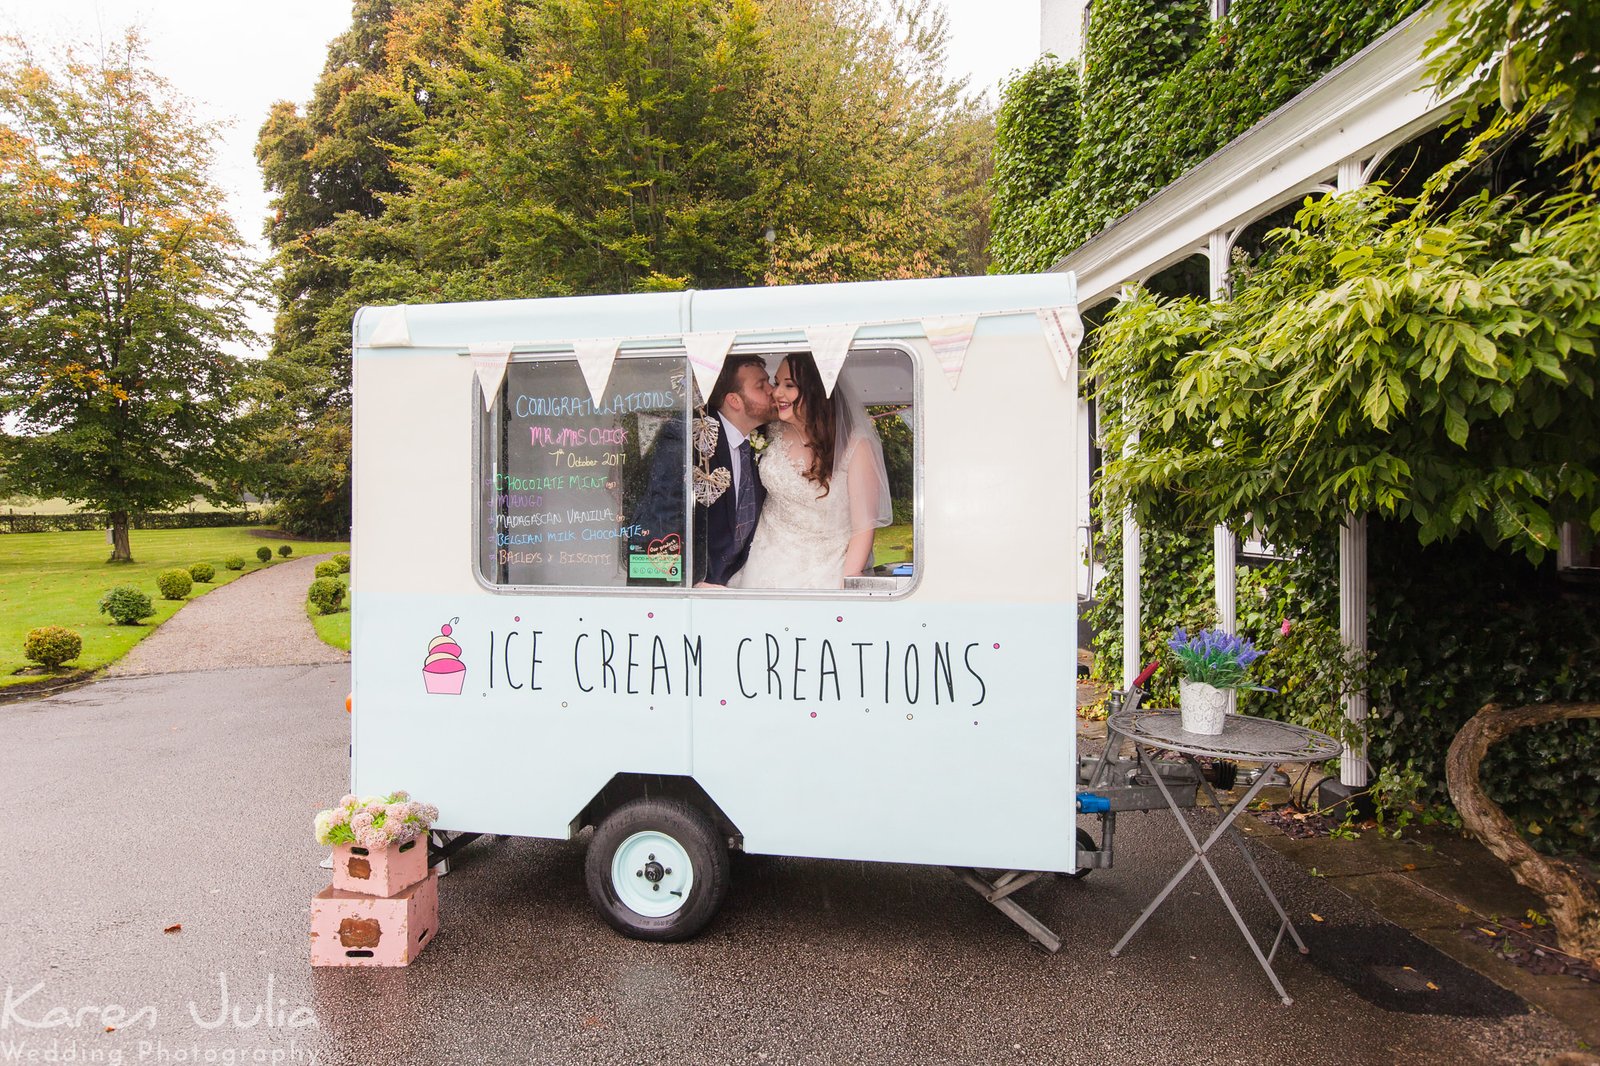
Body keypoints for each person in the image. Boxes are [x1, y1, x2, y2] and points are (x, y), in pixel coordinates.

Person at [729, 353, 892, 591]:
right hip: (762, 566)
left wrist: (846, 587)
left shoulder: (855, 445)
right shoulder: (769, 432)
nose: (776, 393)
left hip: (823, 573)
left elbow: (863, 528)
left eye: (789, 385)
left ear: (815, 390)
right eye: (777, 383)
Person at [634, 354, 777, 586]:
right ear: (734, 400)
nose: (772, 391)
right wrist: (683, 588)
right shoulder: (685, 437)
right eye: (761, 386)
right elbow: (660, 522)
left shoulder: (761, 443)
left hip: (733, 588)